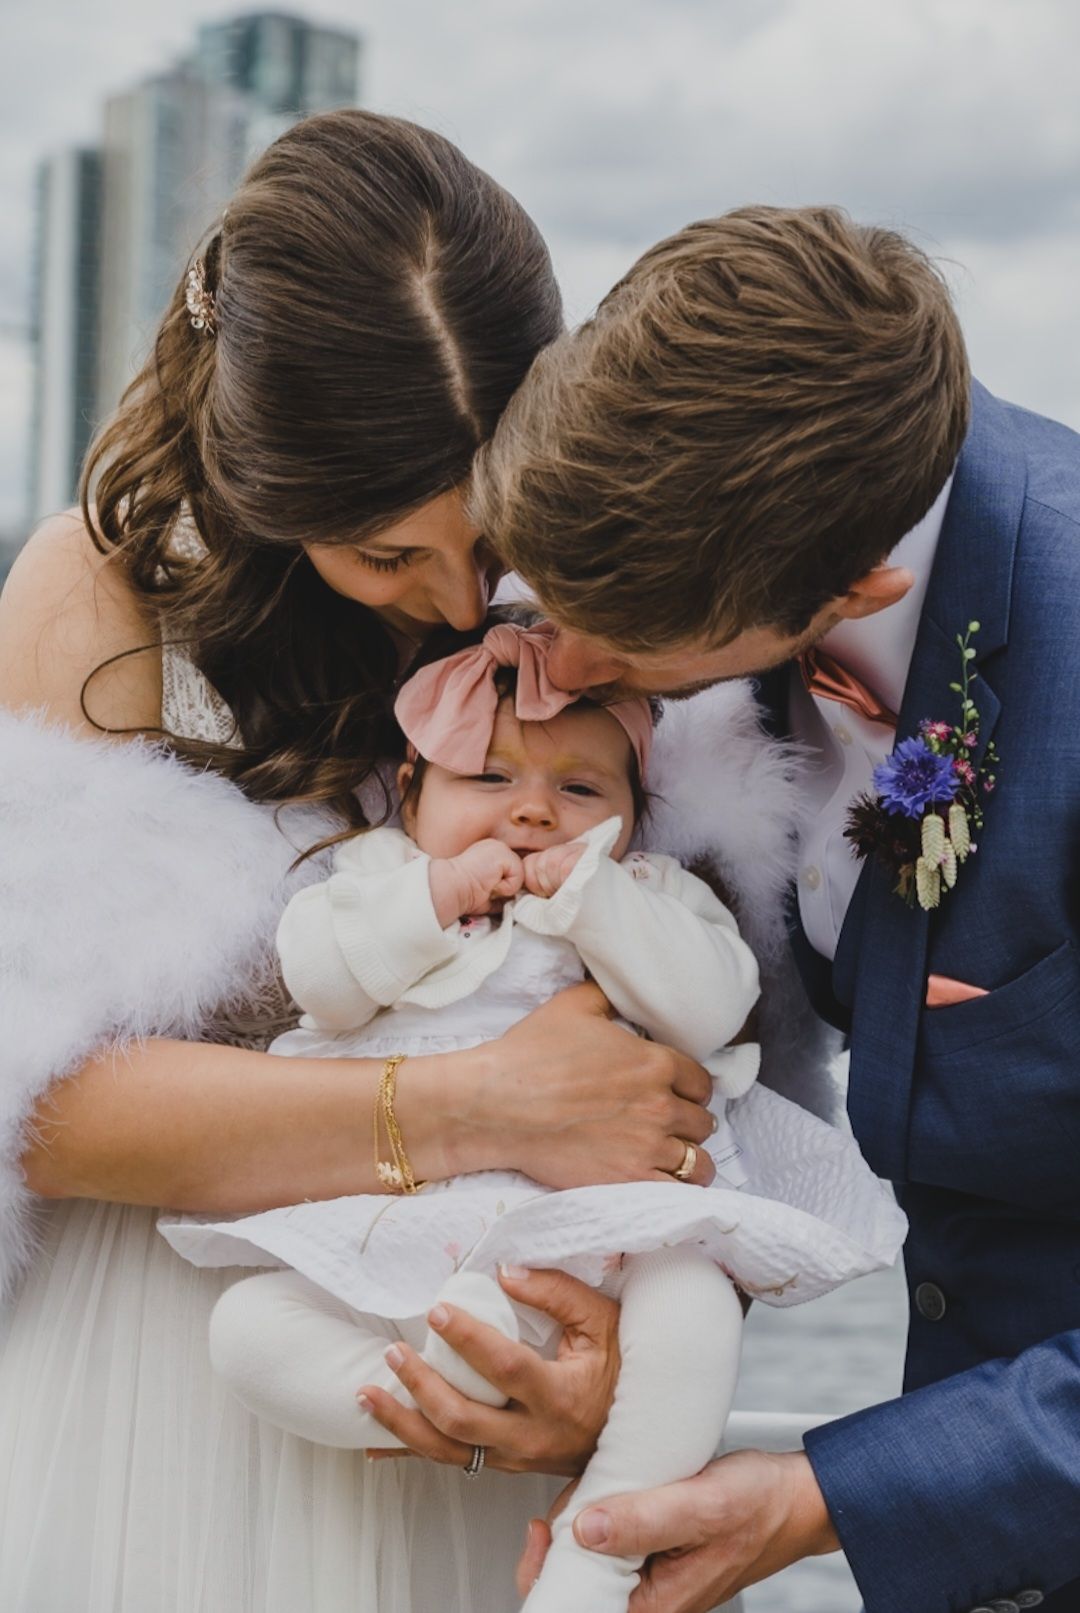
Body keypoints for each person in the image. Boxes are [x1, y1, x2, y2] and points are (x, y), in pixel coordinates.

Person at [0, 110, 725, 1613]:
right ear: (265, 478)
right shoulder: (100, 594)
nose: (459, 603)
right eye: (388, 555)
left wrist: (611, 1364)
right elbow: (47, 1104)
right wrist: (479, 1103)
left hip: (479, 1337)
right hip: (174, 1395)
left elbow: (686, 1051)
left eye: (486, 536)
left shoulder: (584, 616)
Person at [418, 203, 1075, 1613]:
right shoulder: (751, 453)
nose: (556, 667)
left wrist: (821, 1496)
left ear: (856, 588)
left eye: (618, 644)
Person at [163, 617, 902, 1613]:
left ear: (634, 819)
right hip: (405, 1227)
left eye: (582, 790)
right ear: (411, 789)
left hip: (599, 1235)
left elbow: (710, 1004)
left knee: (691, 1310)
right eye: (488, 776)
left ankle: (598, 1548)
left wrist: (597, 901)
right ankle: (431, 1383)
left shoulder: (648, 891)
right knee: (248, 1329)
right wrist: (432, 899)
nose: (533, 809)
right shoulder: (377, 876)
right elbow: (321, 978)